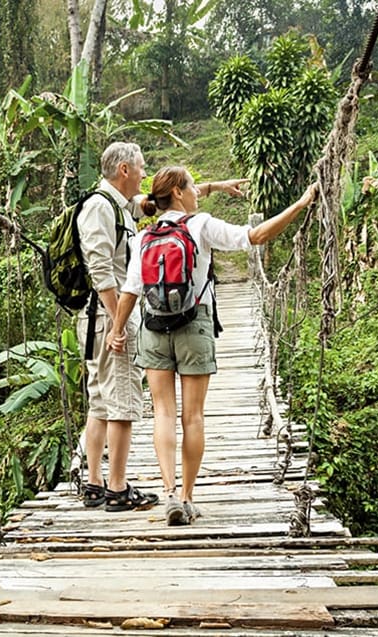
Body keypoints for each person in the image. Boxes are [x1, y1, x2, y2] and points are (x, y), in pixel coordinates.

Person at [105, 165, 317, 525]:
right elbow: (257, 235)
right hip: (194, 324)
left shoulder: (144, 237)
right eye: (192, 187)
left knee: (163, 414)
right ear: (177, 193)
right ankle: (187, 497)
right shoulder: (200, 225)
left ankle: (169, 492)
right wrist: (299, 204)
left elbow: (130, 291)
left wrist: (117, 330)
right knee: (194, 416)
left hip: (154, 328)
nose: (196, 193)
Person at [78, 144, 247, 512]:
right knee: (120, 401)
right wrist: (117, 325)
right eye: (140, 168)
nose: (144, 174)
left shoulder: (122, 206)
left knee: (102, 401)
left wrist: (215, 187)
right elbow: (102, 272)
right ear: (124, 170)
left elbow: (169, 200)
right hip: (110, 315)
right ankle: (118, 490)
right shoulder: (99, 207)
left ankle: (95, 484)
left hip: (128, 318)